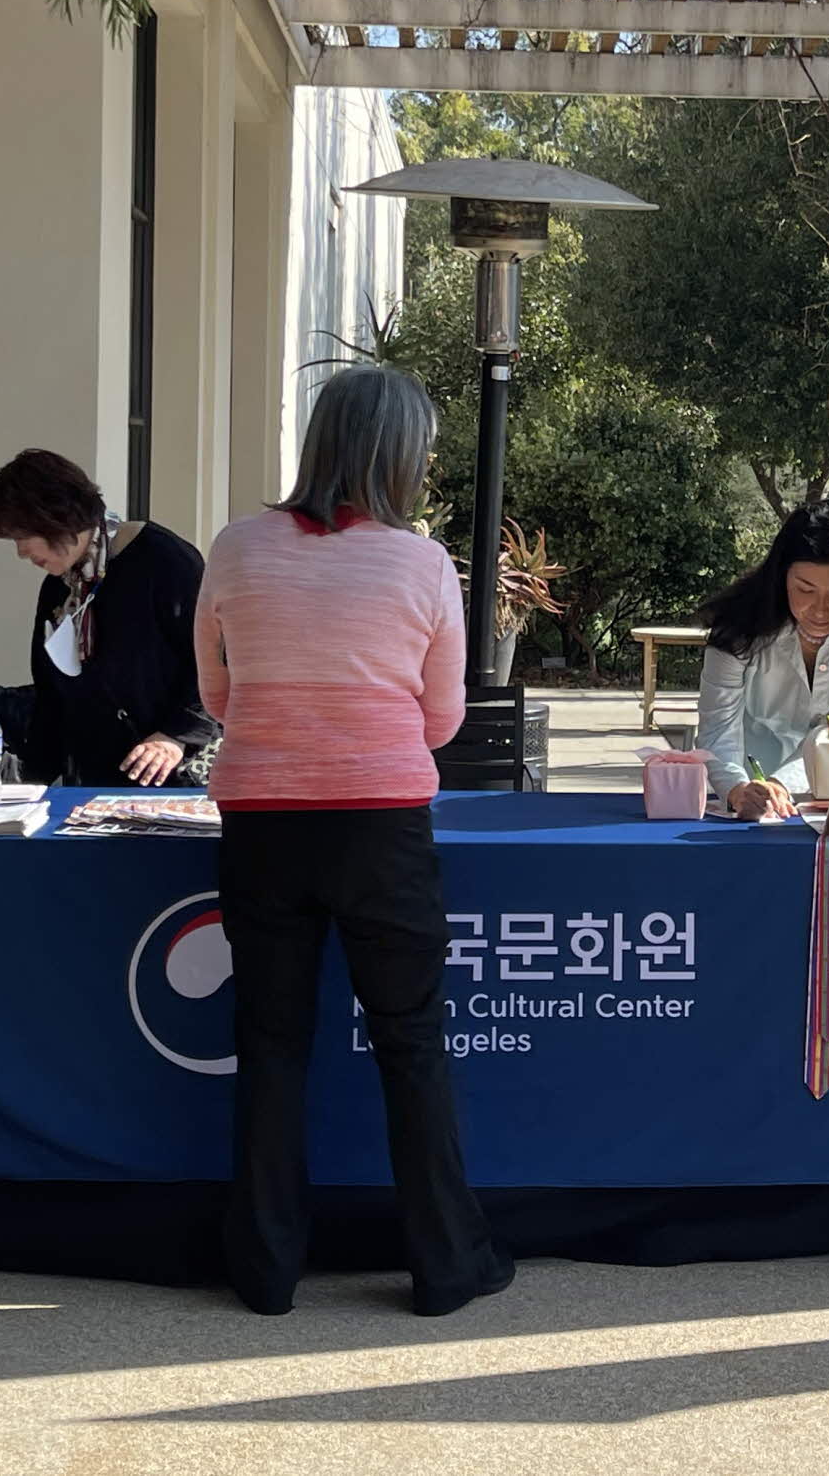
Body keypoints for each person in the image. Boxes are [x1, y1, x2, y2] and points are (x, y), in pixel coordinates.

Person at [193, 363, 510, 1319]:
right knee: (412, 1043)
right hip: (381, 826)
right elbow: (445, 721)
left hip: (261, 819)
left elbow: (217, 696)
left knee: (271, 1042)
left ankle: (264, 1269)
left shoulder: (235, 550)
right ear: (399, 458)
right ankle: (447, 1263)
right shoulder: (421, 567)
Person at [0, 449, 216, 788]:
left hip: (170, 779)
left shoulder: (165, 562)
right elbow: (51, 697)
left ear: (55, 520)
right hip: (91, 783)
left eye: (22, 537)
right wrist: (30, 781)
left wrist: (176, 735)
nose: (21, 552)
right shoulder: (59, 588)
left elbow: (217, 661)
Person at [696, 497, 829, 819]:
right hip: (744, 789)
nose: (819, 610)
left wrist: (783, 784)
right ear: (781, 576)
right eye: (804, 589)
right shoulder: (739, 621)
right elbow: (718, 724)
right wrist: (736, 789)